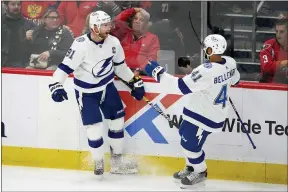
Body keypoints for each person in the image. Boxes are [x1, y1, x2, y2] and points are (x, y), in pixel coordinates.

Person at [48, 10, 145, 179]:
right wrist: (56, 85)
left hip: (107, 88)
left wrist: (133, 82)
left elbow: (120, 67)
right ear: (94, 27)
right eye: (105, 25)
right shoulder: (80, 45)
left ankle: (116, 163)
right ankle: (98, 161)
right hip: (86, 93)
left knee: (116, 123)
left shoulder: (113, 42)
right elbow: (64, 68)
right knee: (94, 129)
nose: (110, 27)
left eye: (109, 24)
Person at [144, 34, 240, 189]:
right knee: (185, 135)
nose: (204, 50)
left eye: (206, 48)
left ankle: (200, 171)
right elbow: (236, 80)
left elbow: (179, 87)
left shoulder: (206, 70)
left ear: (210, 49)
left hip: (206, 116)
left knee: (190, 145)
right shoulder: (230, 62)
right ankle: (191, 167)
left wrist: (158, 73)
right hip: (198, 110)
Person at [259, 18, 288, 84]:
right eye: (276, 31)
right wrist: (285, 63)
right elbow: (266, 67)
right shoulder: (268, 45)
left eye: (282, 32)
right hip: (269, 87)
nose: (278, 34)